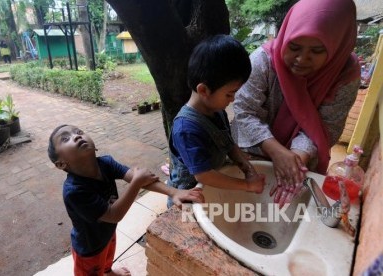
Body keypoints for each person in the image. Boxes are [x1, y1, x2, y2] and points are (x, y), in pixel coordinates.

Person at [231, 0, 361, 207]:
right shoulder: (262, 61)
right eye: (294, 46)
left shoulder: (345, 75)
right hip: (252, 149)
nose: (302, 59)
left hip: (302, 156)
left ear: (337, 46)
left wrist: (295, 161)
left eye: (317, 51)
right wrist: (276, 150)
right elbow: (245, 112)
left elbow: (328, 127)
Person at [48, 124, 204, 276]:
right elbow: (114, 214)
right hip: (90, 247)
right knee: (93, 269)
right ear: (61, 164)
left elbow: (136, 177)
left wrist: (174, 192)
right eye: (65, 138)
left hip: (108, 232)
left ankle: (108, 271)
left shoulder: (105, 163)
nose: (76, 136)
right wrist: (136, 183)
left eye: (79, 131)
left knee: (108, 256)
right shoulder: (74, 191)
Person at [167, 35, 265, 208]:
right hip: (189, 196)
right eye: (229, 94)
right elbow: (204, 175)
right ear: (204, 90)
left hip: (213, 184)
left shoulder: (217, 111)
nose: (233, 99)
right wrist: (248, 185)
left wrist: (247, 168)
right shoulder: (186, 129)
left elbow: (229, 145)